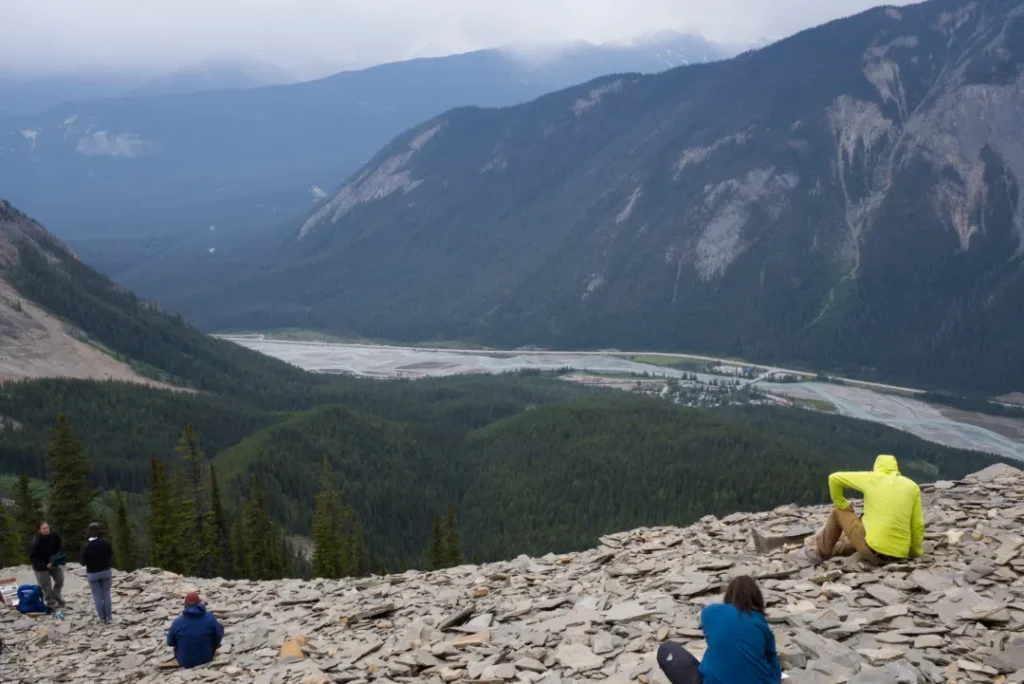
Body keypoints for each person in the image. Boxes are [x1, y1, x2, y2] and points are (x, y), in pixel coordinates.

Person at [657, 576, 782, 684]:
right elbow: (773, 663)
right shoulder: (760, 621)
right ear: (757, 598)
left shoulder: (710, 611)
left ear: (729, 594)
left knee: (667, 649)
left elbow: (712, 639)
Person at [806, 454, 924, 565]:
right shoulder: (912, 486)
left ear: (876, 467)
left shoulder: (872, 478)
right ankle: (836, 551)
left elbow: (833, 478)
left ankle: (820, 553)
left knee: (839, 511)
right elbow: (917, 524)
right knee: (866, 533)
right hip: (899, 555)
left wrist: (842, 503)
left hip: (874, 552)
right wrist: (915, 552)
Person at [167, 592, 224, 669]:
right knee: (219, 627)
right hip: (206, 658)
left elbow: (170, 642)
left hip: (184, 661)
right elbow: (218, 635)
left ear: (185, 605)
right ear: (199, 603)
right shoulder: (210, 617)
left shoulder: (177, 622)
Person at [80, 522, 114, 624]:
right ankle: (109, 617)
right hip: (105, 571)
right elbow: (110, 554)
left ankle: (101, 618)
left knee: (97, 595)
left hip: (92, 573)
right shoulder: (106, 542)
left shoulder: (86, 546)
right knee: (106, 593)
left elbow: (82, 562)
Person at [29, 521, 65, 609]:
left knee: (60, 579)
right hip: (40, 567)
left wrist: (57, 557)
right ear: (39, 530)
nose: (46, 530)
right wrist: (44, 566)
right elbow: (33, 558)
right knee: (46, 586)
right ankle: (51, 604)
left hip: (53, 562)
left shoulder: (54, 535)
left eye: (47, 527)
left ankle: (56, 595)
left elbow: (59, 546)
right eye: (44, 529)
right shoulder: (36, 541)